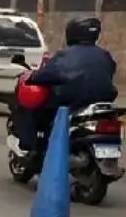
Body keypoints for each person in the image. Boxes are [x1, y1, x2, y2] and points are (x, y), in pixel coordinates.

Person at [13, 16, 118, 153]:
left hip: (72, 101)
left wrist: (33, 76)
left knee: (31, 109)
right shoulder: (104, 54)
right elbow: (111, 69)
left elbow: (47, 74)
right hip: (103, 100)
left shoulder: (65, 55)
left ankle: (28, 147)